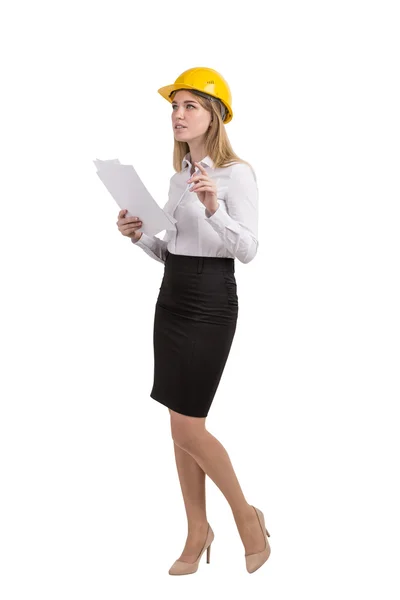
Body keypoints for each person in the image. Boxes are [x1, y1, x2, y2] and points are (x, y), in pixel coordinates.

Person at [116, 67, 271, 575]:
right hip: (172, 298)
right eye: (174, 108)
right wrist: (138, 235)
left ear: (215, 117)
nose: (178, 116)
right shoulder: (176, 177)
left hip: (210, 302)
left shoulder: (237, 174)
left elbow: (247, 250)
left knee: (187, 424)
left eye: (190, 107)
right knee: (181, 423)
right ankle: (196, 530)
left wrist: (213, 208)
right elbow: (171, 251)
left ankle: (245, 515)